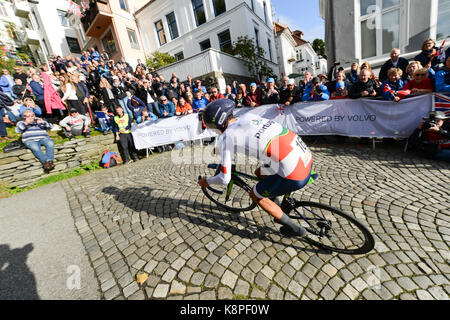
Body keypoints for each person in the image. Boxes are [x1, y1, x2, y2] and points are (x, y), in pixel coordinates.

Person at [198, 99, 314, 237]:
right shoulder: (248, 117)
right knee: (259, 172)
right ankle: (275, 199)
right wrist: (222, 148)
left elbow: (225, 178)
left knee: (254, 194)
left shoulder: (225, 138)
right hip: (305, 156)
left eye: (211, 125)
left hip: (295, 173)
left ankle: (296, 229)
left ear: (218, 122)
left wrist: (207, 181)